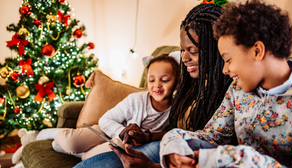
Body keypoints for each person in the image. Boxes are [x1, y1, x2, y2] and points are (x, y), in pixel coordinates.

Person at [74, 3, 232, 168]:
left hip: (186, 156)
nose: (184, 58)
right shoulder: (187, 73)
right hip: (163, 145)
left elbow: (208, 145)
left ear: (214, 49)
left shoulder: (230, 88)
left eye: (192, 51)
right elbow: (175, 129)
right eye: (182, 50)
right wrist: (148, 136)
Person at [160, 0, 292, 167]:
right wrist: (172, 142)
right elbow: (212, 136)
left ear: (257, 51)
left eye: (228, 60)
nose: (224, 70)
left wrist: (232, 157)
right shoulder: (237, 88)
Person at [38, 54, 180, 161]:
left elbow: (171, 131)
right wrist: (122, 133)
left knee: (89, 158)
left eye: (165, 80)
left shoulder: (176, 109)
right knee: (70, 142)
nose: (157, 85)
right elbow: (105, 120)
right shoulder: (136, 100)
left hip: (124, 144)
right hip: (108, 129)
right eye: (152, 80)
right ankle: (51, 133)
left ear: (177, 83)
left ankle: (70, 149)